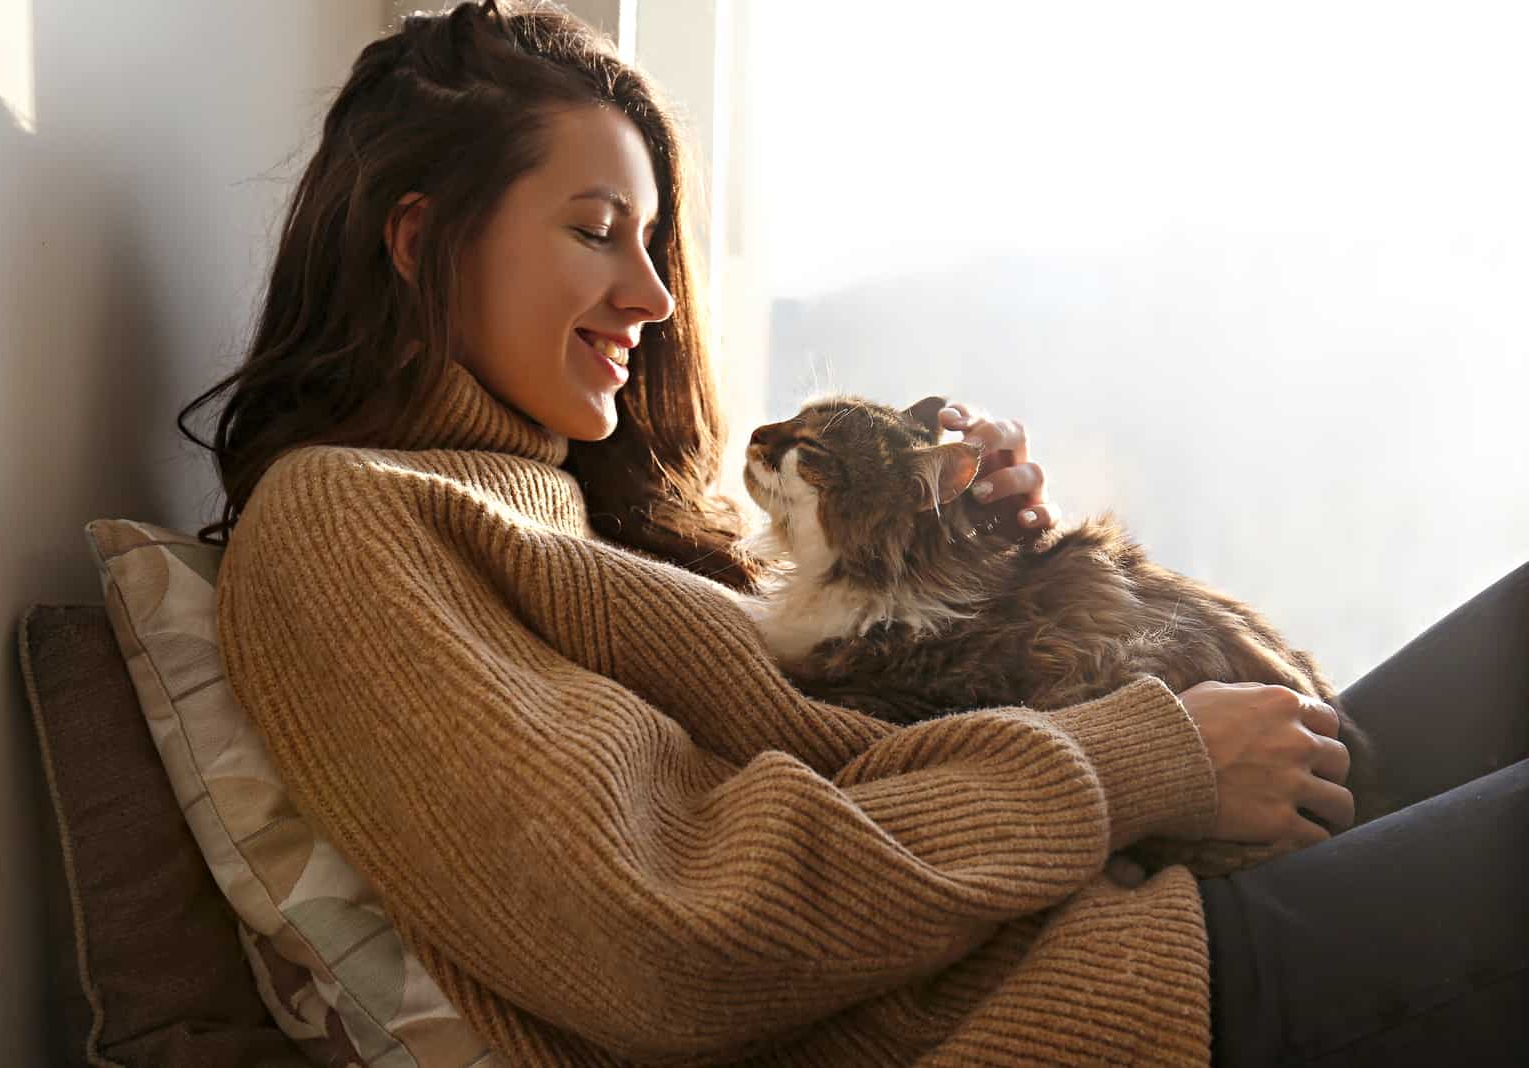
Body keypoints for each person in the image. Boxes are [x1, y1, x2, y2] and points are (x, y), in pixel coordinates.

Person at [181, 3, 1528, 1064]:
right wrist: (1133, 762)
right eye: (600, 233)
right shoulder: (345, 532)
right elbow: (671, 936)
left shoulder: (564, 512)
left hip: (1107, 919)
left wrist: (983, 579)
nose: (653, 293)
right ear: (417, 242)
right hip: (1080, 1014)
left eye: (655, 240)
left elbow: (861, 752)